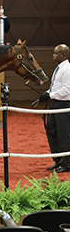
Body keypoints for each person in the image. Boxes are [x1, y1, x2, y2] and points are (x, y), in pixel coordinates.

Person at [39, 44, 70, 173]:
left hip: (64, 105)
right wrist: (47, 93)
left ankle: (66, 163)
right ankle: (58, 160)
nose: (53, 55)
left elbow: (67, 89)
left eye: (56, 53)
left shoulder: (67, 69)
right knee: (52, 131)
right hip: (56, 104)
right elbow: (57, 87)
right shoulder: (59, 68)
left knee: (64, 134)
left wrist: (50, 95)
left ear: (64, 55)